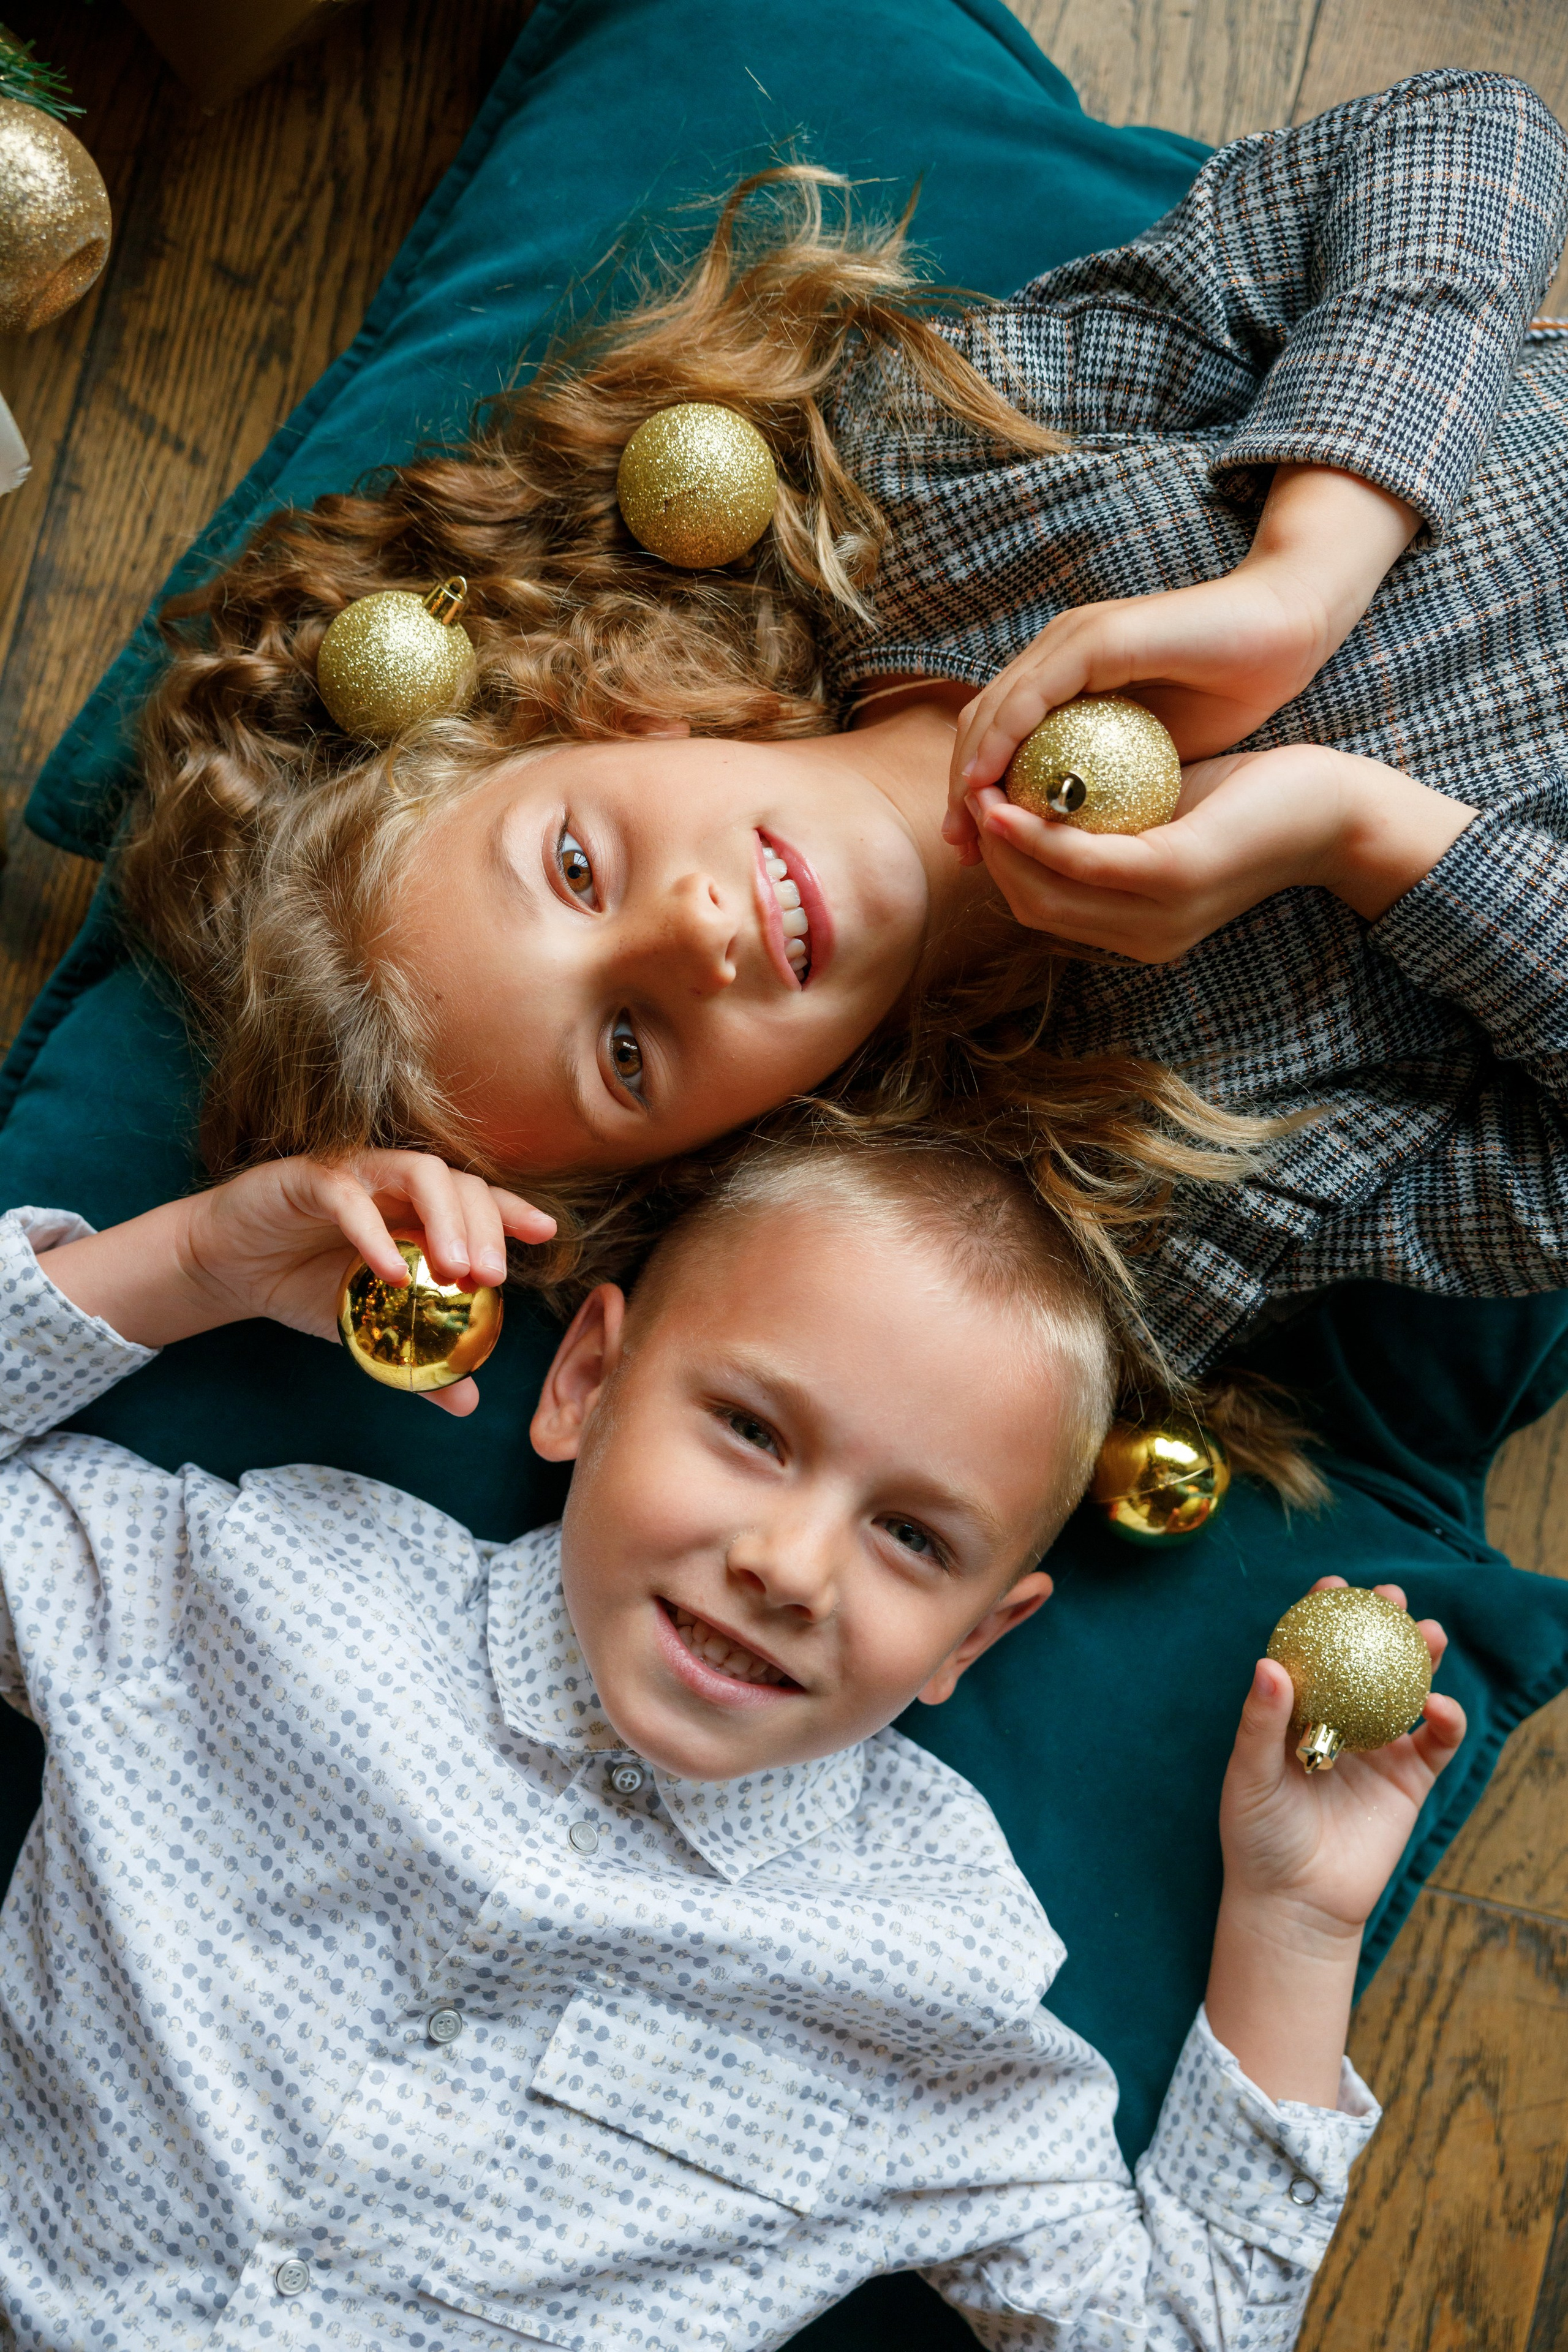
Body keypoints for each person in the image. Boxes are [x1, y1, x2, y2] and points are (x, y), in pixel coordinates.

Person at [114, 67, 1568, 1409]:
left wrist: (1302, 576)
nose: (690, 938)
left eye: (574, 866)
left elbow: (1472, 136)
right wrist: (1366, 840)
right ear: (717, 1145)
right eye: (626, 1051)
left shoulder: (937, 484)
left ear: (612, 715)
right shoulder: (1147, 1185)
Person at [0, 1135, 1461, 2349]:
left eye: (908, 1535)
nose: (791, 1565)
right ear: (582, 1385)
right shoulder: (261, 1589)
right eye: (753, 1431)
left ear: (971, 1640)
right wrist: (190, 1262)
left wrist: (1293, 1923)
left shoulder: (928, 1953)